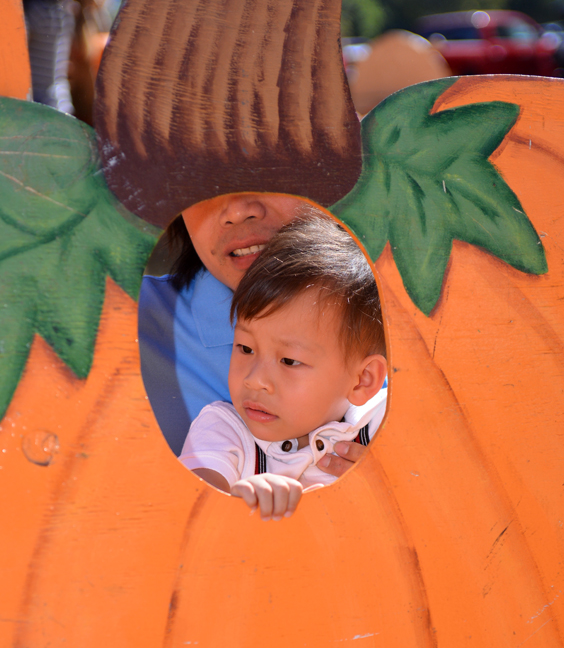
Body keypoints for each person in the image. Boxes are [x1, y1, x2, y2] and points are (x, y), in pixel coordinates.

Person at [138, 194, 374, 481]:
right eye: (245, 348)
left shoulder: (400, 333)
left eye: (269, 171)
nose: (237, 210)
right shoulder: (124, 320)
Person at [178, 212, 387, 519]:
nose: (255, 380)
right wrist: (241, 498)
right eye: (245, 348)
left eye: (289, 360)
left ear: (362, 381)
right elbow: (189, 508)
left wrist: (398, 477)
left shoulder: (383, 422)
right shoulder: (224, 431)